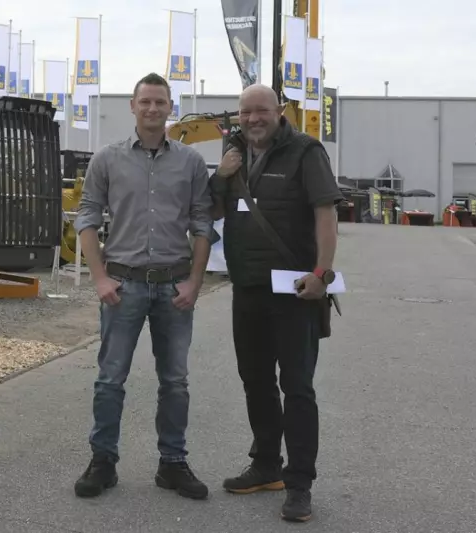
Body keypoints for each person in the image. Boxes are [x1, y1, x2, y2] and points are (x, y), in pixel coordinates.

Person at [72, 73, 214, 501]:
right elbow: (87, 218)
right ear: (132, 107)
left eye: (160, 102)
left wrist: (195, 283)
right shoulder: (107, 160)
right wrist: (99, 277)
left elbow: (203, 224)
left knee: (175, 381)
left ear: (172, 107)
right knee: (110, 380)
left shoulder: (190, 162)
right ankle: (103, 462)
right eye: (145, 102)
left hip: (174, 288)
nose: (153, 109)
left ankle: (172, 463)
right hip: (123, 286)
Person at [210, 84, 343, 522]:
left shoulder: (306, 152)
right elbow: (208, 209)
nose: (253, 119)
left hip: (295, 291)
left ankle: (299, 482)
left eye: (261, 111)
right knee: (256, 381)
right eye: (246, 112)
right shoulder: (234, 155)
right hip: (247, 289)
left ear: (278, 111)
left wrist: (322, 274)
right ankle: (266, 465)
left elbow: (327, 213)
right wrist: (220, 177)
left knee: (298, 388)